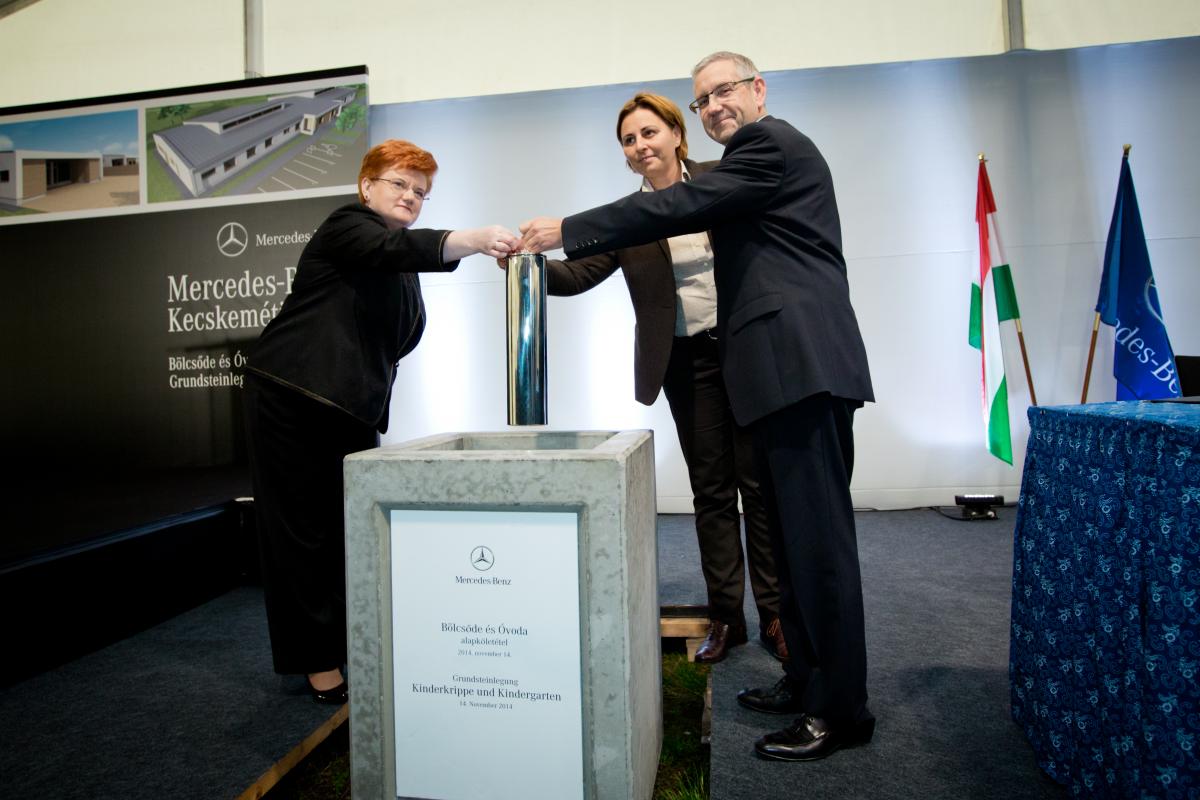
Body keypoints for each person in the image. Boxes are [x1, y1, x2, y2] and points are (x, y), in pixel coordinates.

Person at [519, 52, 875, 762]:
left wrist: (567, 224)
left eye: (723, 92)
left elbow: (673, 206)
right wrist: (530, 260)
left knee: (817, 549)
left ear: (758, 89)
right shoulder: (747, 163)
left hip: (799, 367)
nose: (714, 106)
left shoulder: (764, 146)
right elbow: (637, 233)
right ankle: (806, 679)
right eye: (703, 98)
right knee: (787, 537)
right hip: (767, 373)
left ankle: (840, 711)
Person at [509, 92, 786, 664]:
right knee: (712, 492)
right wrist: (525, 265)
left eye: (648, 133)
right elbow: (578, 275)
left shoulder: (721, 180)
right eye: (629, 140)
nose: (639, 146)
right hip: (687, 363)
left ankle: (777, 614)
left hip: (747, 350)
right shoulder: (627, 217)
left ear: (677, 134)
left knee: (760, 487)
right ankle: (726, 618)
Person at [243, 139, 518, 704]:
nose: (410, 196)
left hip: (347, 408)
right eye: (399, 183)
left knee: (345, 534)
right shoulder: (348, 225)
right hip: (292, 396)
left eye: (420, 191)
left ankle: (348, 643)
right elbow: (395, 249)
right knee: (301, 534)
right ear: (367, 186)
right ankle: (317, 661)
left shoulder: (399, 262)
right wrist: (473, 239)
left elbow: (398, 281)